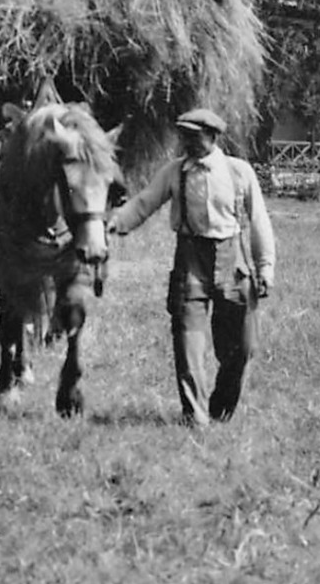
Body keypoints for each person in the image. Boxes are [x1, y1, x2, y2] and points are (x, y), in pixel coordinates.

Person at [108, 108, 276, 426]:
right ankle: (196, 420)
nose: (187, 142)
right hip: (190, 262)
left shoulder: (239, 172)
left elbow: (259, 221)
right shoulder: (174, 172)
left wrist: (265, 268)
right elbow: (145, 202)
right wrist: (114, 224)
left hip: (233, 262)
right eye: (184, 136)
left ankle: (221, 410)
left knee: (243, 348)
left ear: (212, 137)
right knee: (189, 345)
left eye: (194, 136)